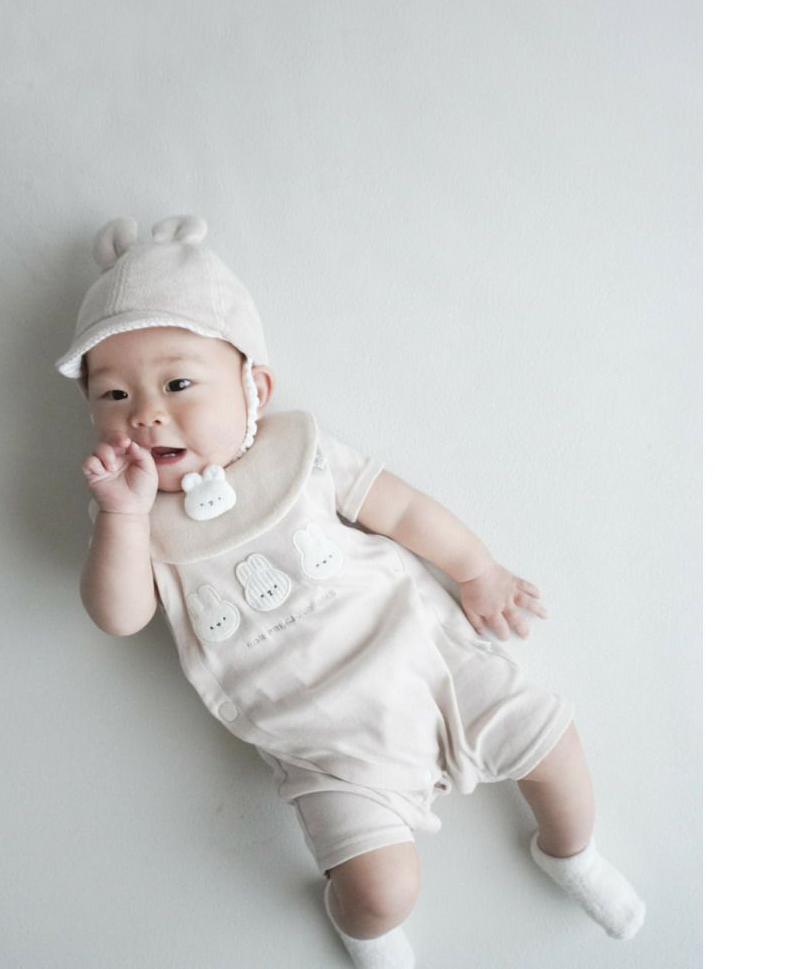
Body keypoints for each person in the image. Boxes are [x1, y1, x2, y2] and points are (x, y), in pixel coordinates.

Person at [56, 214, 646, 968]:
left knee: (554, 742)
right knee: (381, 891)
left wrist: (477, 569)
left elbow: (400, 509)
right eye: (112, 395)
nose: (145, 413)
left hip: (428, 660)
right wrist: (122, 516)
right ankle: (362, 927)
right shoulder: (135, 521)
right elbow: (120, 616)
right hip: (323, 743)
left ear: (254, 389)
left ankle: (570, 852)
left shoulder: (298, 453)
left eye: (178, 383)